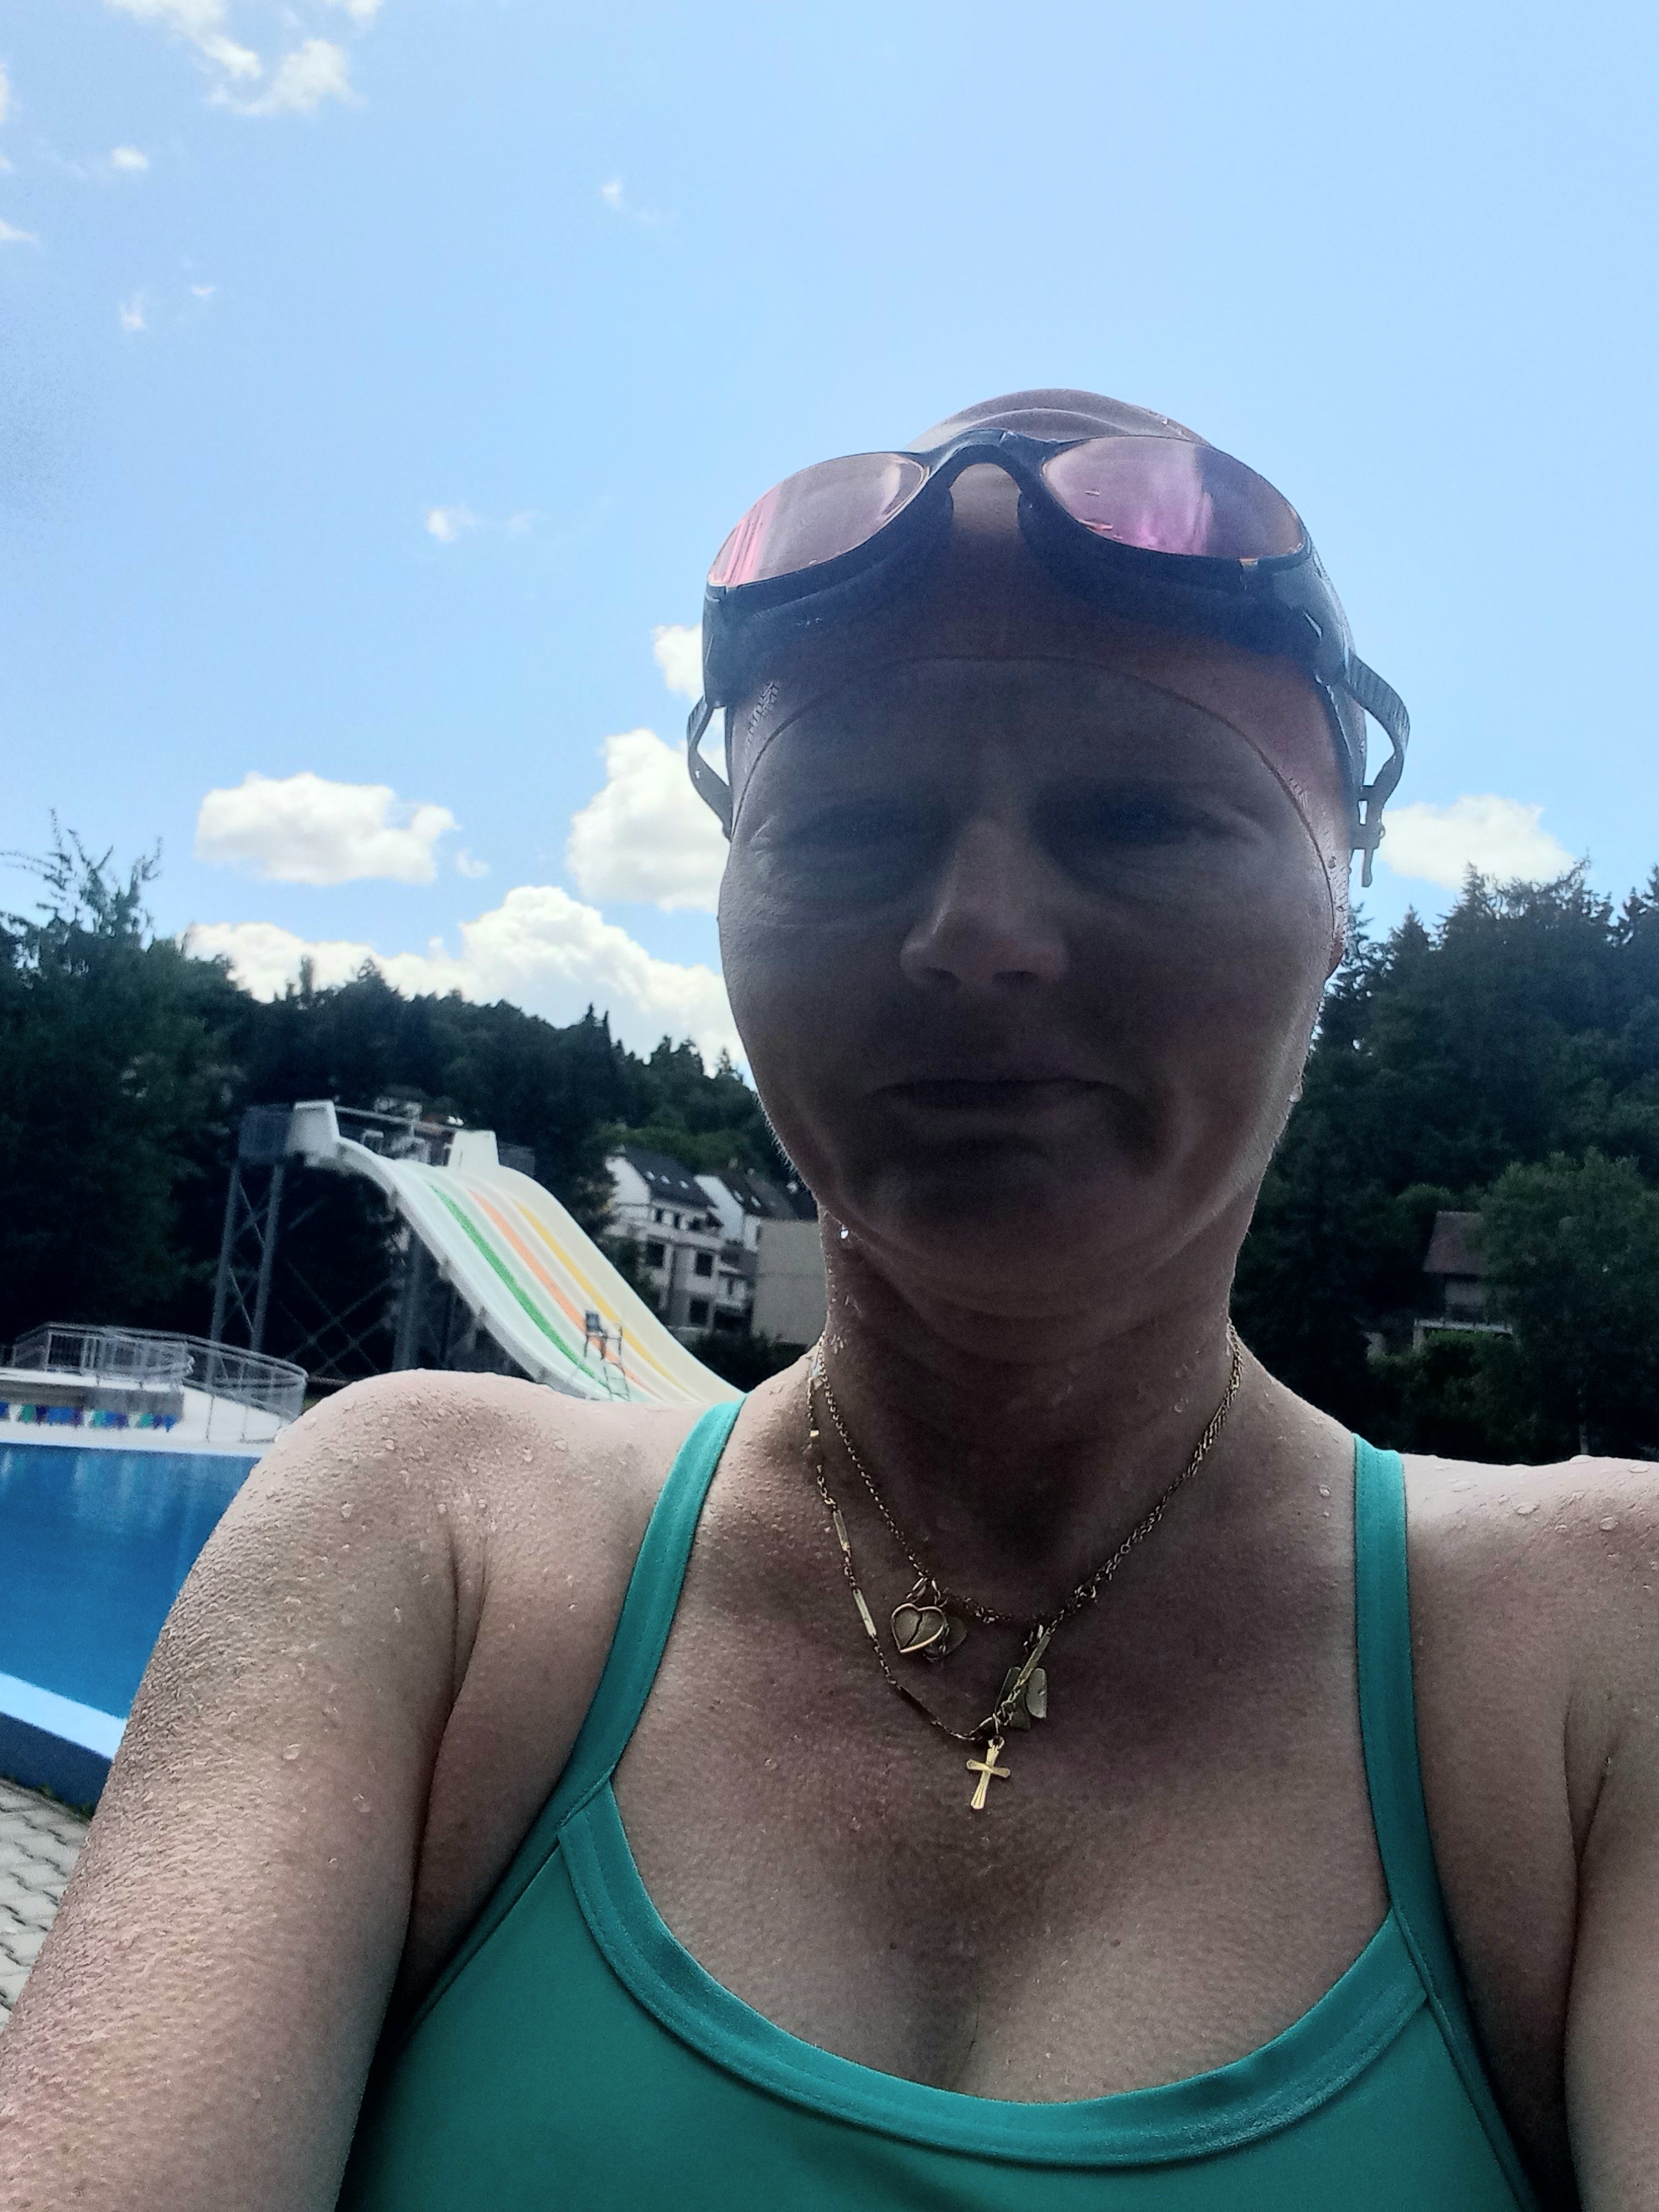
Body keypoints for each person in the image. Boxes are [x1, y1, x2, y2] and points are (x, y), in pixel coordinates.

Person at [0, 391, 1651, 2211]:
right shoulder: (428, 1550)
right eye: (852, 824)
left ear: (1340, 892)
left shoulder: (1596, 1660)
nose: (978, 932)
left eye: (1137, 815)